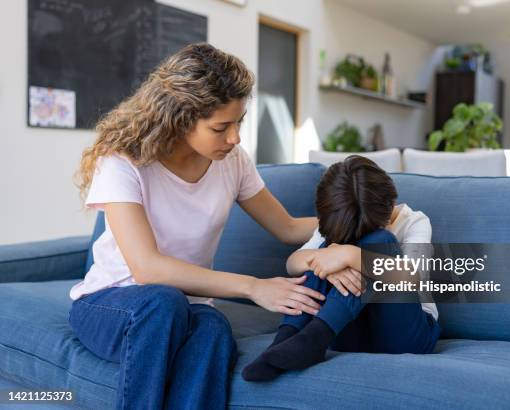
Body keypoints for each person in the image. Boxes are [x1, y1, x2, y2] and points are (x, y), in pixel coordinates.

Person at [68, 42, 329, 410]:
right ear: (179, 116)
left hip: (184, 309)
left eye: (239, 122)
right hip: (110, 306)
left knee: (212, 328)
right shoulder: (123, 161)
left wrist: (361, 219)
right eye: (221, 127)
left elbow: (287, 228)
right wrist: (253, 287)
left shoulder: (233, 161)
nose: (235, 138)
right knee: (163, 301)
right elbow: (147, 269)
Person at [242, 156, 441, 382]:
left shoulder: (415, 221)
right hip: (347, 331)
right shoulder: (339, 218)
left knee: (380, 241)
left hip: (406, 337)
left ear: (388, 208)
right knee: (324, 249)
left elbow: (412, 279)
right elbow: (293, 262)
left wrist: (348, 255)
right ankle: (286, 340)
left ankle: (315, 338)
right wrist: (327, 256)